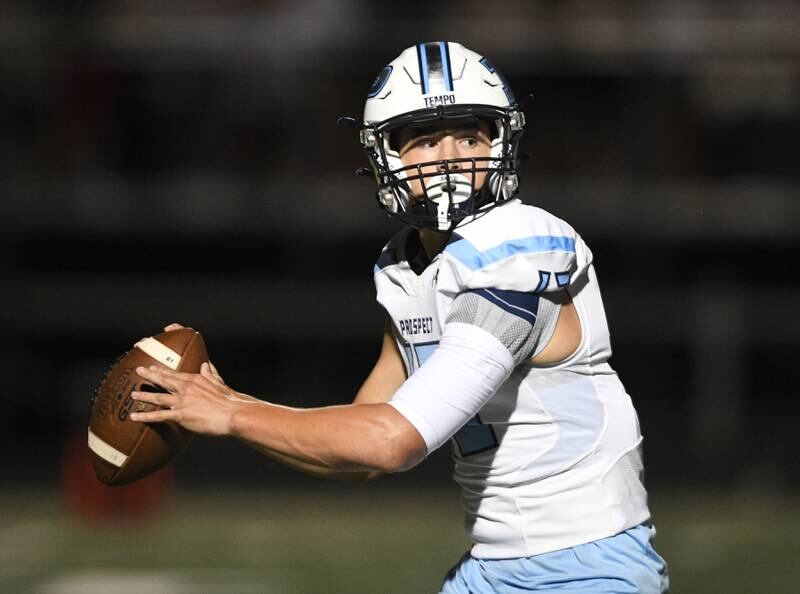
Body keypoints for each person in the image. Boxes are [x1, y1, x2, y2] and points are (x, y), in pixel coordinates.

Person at [131, 41, 669, 593]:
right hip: (491, 570)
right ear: (385, 155)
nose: (452, 155)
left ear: (502, 143)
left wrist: (232, 415)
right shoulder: (408, 268)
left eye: (470, 135)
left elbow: (391, 442)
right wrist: (233, 407)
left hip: (586, 568)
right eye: (427, 139)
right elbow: (360, 449)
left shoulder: (517, 248)